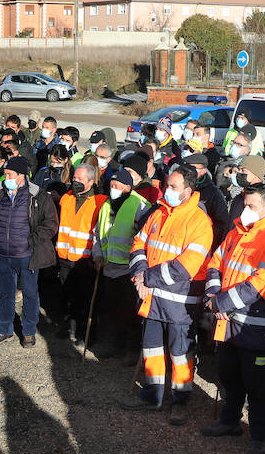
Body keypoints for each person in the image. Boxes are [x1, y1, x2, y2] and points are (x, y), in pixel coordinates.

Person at [200, 184, 265, 454]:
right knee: (229, 375)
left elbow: (260, 283)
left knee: (257, 383)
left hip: (255, 326)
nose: (245, 210)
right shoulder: (237, 233)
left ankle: (259, 436)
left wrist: (220, 302)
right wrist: (214, 293)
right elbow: (215, 263)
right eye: (245, 205)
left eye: (251, 206)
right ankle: (229, 421)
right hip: (227, 322)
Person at [120, 166, 213, 419]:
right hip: (151, 297)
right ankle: (153, 395)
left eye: (173, 187)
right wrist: (139, 273)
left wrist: (147, 278)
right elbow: (139, 243)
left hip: (179, 302)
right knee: (151, 348)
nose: (166, 191)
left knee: (180, 353)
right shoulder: (158, 212)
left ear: (188, 190)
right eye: (167, 186)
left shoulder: (200, 222)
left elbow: (186, 267)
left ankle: (180, 401)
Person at [0, 155, 57, 347]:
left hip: (27, 255)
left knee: (30, 293)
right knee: (5, 293)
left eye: (9, 174)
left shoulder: (38, 195)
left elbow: (50, 224)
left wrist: (31, 241)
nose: (5, 178)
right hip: (2, 254)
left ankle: (29, 331)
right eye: (5, 174)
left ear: (21, 176)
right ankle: (3, 329)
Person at [90, 167, 154, 357]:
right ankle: (115, 346)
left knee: (130, 312)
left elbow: (145, 239)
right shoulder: (107, 205)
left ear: (128, 187)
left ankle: (131, 350)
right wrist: (97, 254)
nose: (113, 189)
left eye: (117, 186)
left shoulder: (140, 205)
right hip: (109, 267)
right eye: (111, 185)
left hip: (129, 270)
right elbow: (98, 233)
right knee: (113, 309)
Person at [53, 163, 107, 345]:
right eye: (74, 178)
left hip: (85, 260)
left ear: (91, 182)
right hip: (65, 256)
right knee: (66, 296)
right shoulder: (66, 198)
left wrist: (98, 257)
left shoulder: (100, 202)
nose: (75, 182)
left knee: (85, 300)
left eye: (80, 179)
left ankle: (86, 335)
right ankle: (67, 327)